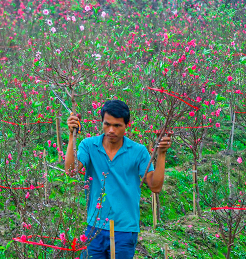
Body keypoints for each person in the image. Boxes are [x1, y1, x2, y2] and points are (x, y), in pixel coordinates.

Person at [64, 100, 172, 259]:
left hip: (125, 230)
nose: (111, 130)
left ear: (127, 125)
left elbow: (155, 186)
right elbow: (71, 171)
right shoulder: (89, 146)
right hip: (94, 227)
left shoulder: (138, 152)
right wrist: (72, 135)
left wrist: (161, 154)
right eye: (107, 124)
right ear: (101, 122)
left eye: (117, 125)